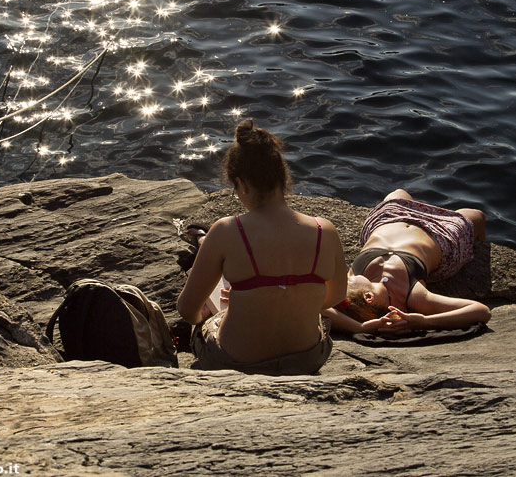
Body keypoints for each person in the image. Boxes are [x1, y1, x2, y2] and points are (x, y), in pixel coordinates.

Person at [176, 120, 347, 374]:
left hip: (236, 363)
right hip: (307, 359)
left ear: (241, 184)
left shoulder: (226, 230)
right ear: (282, 178)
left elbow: (188, 311)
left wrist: (232, 310)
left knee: (208, 303)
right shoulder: (325, 230)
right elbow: (335, 296)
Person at [324, 189, 490, 336]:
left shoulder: (356, 276)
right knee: (476, 215)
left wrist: (360, 328)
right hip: (440, 233)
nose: (347, 278)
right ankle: (481, 251)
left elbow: (318, 307)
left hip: (389, 218)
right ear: (369, 296)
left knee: (399, 192)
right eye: (348, 282)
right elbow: (481, 311)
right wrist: (424, 321)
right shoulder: (414, 296)